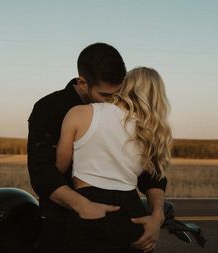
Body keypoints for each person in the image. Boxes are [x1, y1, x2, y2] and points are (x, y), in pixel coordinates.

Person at [27, 43, 168, 253]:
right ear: (82, 83)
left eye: (118, 93)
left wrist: (158, 215)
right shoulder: (49, 108)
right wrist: (82, 205)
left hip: (118, 213)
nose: (113, 101)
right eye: (104, 95)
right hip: (63, 219)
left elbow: (151, 173)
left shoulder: (124, 113)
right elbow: (43, 173)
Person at [55, 67, 172, 253]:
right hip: (132, 212)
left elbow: (59, 169)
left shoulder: (80, 113)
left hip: (89, 207)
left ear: (125, 85)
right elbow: (155, 177)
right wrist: (157, 216)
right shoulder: (151, 132)